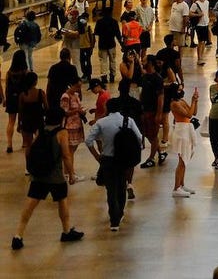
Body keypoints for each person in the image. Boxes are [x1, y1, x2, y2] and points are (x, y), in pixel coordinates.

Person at [11, 106, 84, 250]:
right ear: (61, 119)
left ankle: (18, 235)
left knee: (31, 204)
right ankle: (66, 231)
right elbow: (66, 155)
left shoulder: (41, 130)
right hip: (55, 175)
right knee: (62, 202)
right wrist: (71, 174)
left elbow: (30, 149)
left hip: (39, 174)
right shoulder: (62, 133)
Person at [85, 93, 144, 230]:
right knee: (121, 186)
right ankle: (121, 212)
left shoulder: (101, 122)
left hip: (107, 159)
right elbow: (139, 138)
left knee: (110, 189)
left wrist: (97, 156)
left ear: (107, 108)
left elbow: (88, 140)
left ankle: (114, 220)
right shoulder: (128, 121)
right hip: (123, 158)